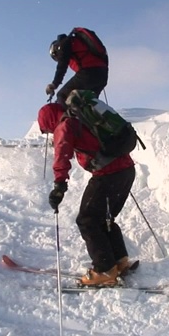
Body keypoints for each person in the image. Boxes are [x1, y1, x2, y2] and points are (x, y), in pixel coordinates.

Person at [37, 102, 135, 286]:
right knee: (105, 218)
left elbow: (62, 155)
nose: (51, 133)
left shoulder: (64, 126)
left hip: (109, 174)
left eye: (48, 129)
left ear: (49, 121)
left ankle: (105, 270)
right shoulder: (79, 117)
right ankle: (119, 262)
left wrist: (59, 186)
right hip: (126, 170)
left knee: (87, 219)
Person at [45, 28, 109, 108]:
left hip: (88, 73)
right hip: (102, 75)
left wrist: (54, 84)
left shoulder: (64, 44)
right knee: (89, 103)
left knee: (62, 95)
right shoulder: (77, 42)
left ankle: (70, 120)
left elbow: (62, 66)